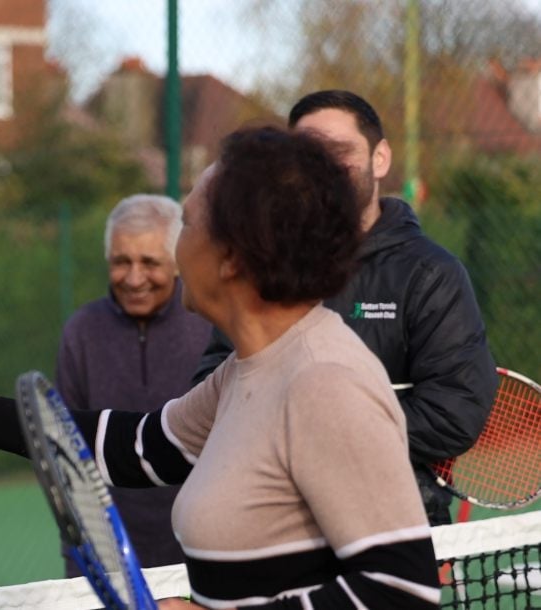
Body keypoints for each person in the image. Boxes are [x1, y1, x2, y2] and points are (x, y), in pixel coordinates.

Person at [0, 127, 440, 608]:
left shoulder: (325, 381)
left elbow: (401, 592)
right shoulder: (250, 368)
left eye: (189, 223)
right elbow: (143, 447)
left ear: (231, 257)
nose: (176, 247)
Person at [190, 90, 498, 527]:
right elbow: (212, 384)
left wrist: (319, 433)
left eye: (339, 151)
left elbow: (454, 414)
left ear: (381, 159)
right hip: (271, 528)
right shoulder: (260, 269)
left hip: (392, 526)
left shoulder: (431, 274)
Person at [55, 194, 211, 574]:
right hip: (105, 557)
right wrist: (78, 549)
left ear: (176, 262)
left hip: (197, 554)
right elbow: (64, 446)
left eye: (150, 262)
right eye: (121, 262)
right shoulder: (82, 331)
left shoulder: (211, 325)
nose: (134, 277)